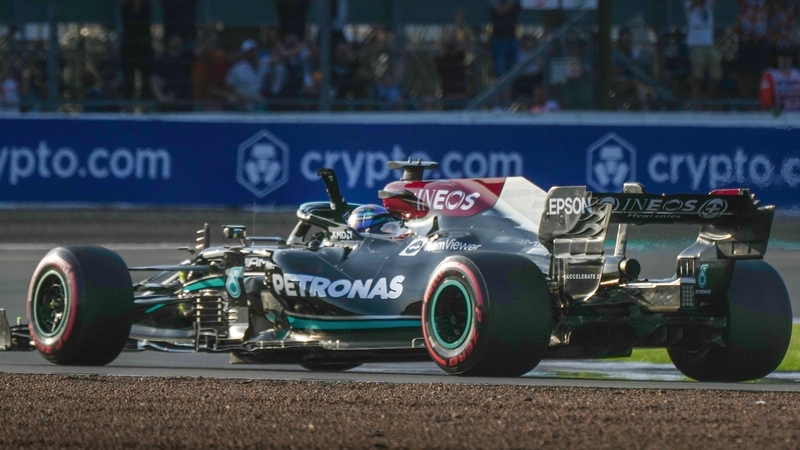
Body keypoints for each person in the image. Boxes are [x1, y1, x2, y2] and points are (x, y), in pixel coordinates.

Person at [685, 0, 723, 100]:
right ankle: (696, 101)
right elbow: (695, 3)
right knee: (697, 76)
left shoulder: (709, 3)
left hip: (709, 44)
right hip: (696, 44)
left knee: (716, 75)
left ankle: (708, 99)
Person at [487, 0, 520, 108]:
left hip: (513, 39)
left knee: (510, 75)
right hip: (499, 40)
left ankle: (506, 104)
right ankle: (496, 105)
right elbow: (500, 10)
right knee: (499, 74)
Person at [150, 33, 194, 110]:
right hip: (169, 98)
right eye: (174, 39)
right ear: (168, 41)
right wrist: (161, 97)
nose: (177, 41)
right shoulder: (161, 59)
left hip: (185, 99)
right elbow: (154, 79)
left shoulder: (187, 57)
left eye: (178, 39)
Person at [737, 0, 771, 97]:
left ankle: (760, 100)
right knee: (745, 72)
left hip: (761, 39)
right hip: (746, 39)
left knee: (761, 72)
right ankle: (744, 100)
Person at [119, 0, 153, 99]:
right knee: (128, 79)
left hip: (145, 47)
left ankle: (146, 106)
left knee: (146, 78)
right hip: (129, 47)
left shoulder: (147, 6)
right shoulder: (126, 7)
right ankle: (127, 105)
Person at [225, 39, 271, 109]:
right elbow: (228, 86)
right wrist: (239, 97)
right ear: (245, 53)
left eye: (254, 50)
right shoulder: (237, 69)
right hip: (243, 105)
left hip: (260, 103)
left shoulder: (264, 64)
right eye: (250, 51)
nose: (253, 53)